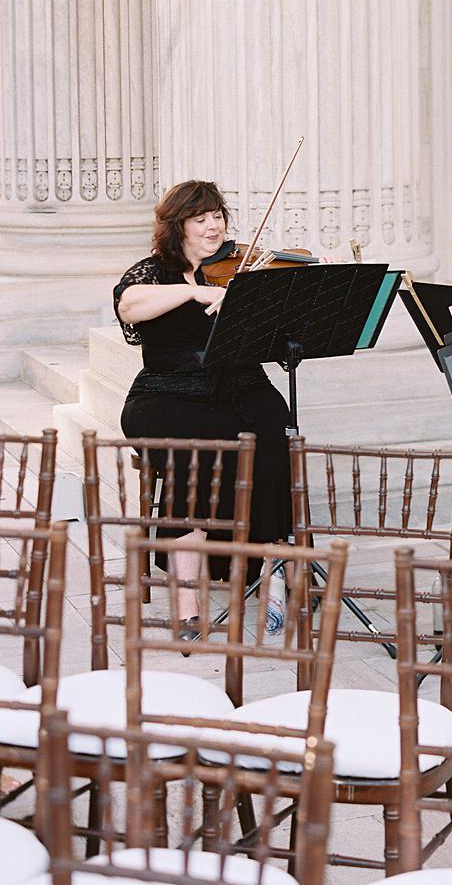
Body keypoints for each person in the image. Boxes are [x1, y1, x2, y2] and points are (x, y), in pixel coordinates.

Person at [114, 179, 293, 636]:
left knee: (271, 428)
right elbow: (129, 306)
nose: (213, 226)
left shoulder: (239, 271)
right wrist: (194, 292)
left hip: (239, 385)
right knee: (195, 453)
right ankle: (189, 598)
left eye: (218, 216)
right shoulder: (152, 273)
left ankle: (271, 574)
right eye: (201, 218)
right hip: (168, 393)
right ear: (178, 227)